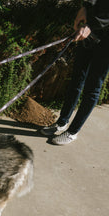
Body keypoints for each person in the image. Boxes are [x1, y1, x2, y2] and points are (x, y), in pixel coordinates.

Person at [41, 0, 109, 145]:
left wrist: (92, 25)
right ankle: (62, 122)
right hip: (91, 26)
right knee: (77, 78)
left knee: (93, 87)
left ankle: (72, 132)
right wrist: (85, 7)